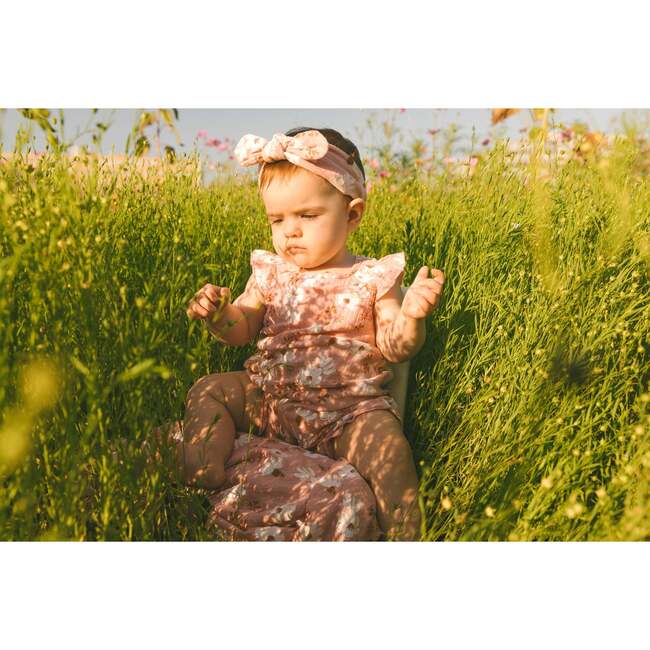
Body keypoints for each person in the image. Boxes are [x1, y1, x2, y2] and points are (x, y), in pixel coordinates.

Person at [163, 127, 445, 541]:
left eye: (307, 216)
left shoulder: (373, 276)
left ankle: (406, 534)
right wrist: (219, 314)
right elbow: (241, 329)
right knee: (210, 389)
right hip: (271, 397)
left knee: (391, 453)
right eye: (277, 219)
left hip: (348, 411)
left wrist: (412, 316)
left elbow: (395, 347)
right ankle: (204, 466)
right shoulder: (271, 271)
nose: (289, 231)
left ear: (352, 215)